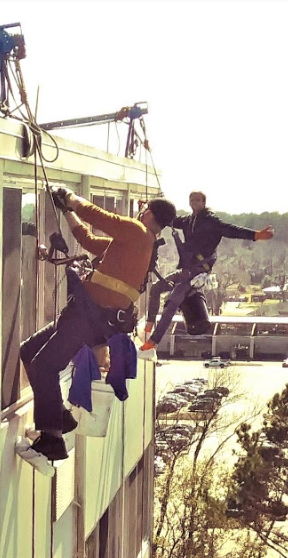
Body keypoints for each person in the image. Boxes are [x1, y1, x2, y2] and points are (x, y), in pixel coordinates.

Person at [19, 188, 176, 464]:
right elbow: (89, 241)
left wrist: (70, 198)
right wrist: (67, 212)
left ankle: (52, 438)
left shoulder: (138, 232)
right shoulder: (135, 244)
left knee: (44, 365)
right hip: (87, 316)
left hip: (89, 318)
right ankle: (60, 417)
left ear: (148, 212)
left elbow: (99, 217)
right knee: (29, 350)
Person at [140, 191, 274, 356]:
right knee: (156, 288)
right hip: (186, 270)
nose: (194, 203)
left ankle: (153, 341)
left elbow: (231, 230)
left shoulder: (211, 221)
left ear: (204, 202)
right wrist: (151, 208)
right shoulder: (189, 221)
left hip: (197, 272)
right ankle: (149, 324)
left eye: (197, 200)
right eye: (192, 200)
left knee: (172, 301)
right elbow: (169, 220)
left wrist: (255, 235)